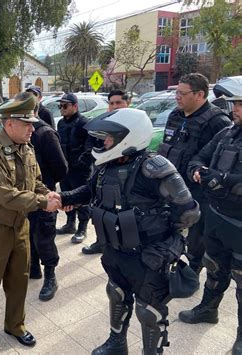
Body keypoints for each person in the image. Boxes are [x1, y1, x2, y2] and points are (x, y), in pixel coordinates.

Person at [58, 108, 200, 354]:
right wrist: (60, 198)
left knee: (148, 310)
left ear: (129, 137)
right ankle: (117, 343)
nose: (104, 143)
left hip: (148, 255)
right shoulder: (106, 166)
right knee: (116, 294)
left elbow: (188, 211)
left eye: (110, 138)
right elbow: (87, 191)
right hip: (115, 249)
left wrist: (166, 239)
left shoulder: (154, 167)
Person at [0, 94, 60, 355]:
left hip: (20, 226)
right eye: (27, 124)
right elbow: (6, 195)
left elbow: (35, 182)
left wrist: (49, 194)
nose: (33, 129)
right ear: (9, 125)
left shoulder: (27, 149)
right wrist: (42, 203)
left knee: (19, 280)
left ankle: (15, 325)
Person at [178, 90, 242, 354]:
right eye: (236, 104)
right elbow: (198, 156)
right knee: (214, 268)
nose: (235, 109)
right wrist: (197, 170)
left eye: (240, 105)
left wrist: (222, 179)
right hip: (215, 216)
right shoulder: (227, 132)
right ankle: (208, 309)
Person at [158, 73, 231, 274]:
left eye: (182, 93)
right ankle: (167, 262)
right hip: (171, 187)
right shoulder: (175, 115)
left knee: (196, 237)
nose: (177, 97)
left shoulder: (218, 121)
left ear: (199, 94)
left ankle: (192, 271)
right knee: (168, 227)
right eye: (177, 93)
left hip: (198, 192)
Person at [24, 92, 68, 301]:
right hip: (25, 196)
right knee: (28, 234)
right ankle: (33, 268)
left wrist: (46, 184)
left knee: (44, 238)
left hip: (43, 195)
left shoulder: (44, 134)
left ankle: (50, 275)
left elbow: (61, 168)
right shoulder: (19, 134)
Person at [82, 89, 129, 255]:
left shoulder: (134, 122)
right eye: (111, 103)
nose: (114, 106)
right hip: (102, 169)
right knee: (99, 207)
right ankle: (100, 241)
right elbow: (89, 142)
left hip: (125, 174)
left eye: (118, 102)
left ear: (127, 103)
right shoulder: (102, 122)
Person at [56, 93, 93, 244]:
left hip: (80, 170)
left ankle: (82, 228)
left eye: (65, 106)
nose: (62, 109)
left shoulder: (84, 123)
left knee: (82, 200)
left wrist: (81, 163)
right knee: (67, 197)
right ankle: (70, 224)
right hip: (66, 169)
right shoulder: (61, 123)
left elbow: (90, 147)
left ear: (75, 106)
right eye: (60, 106)